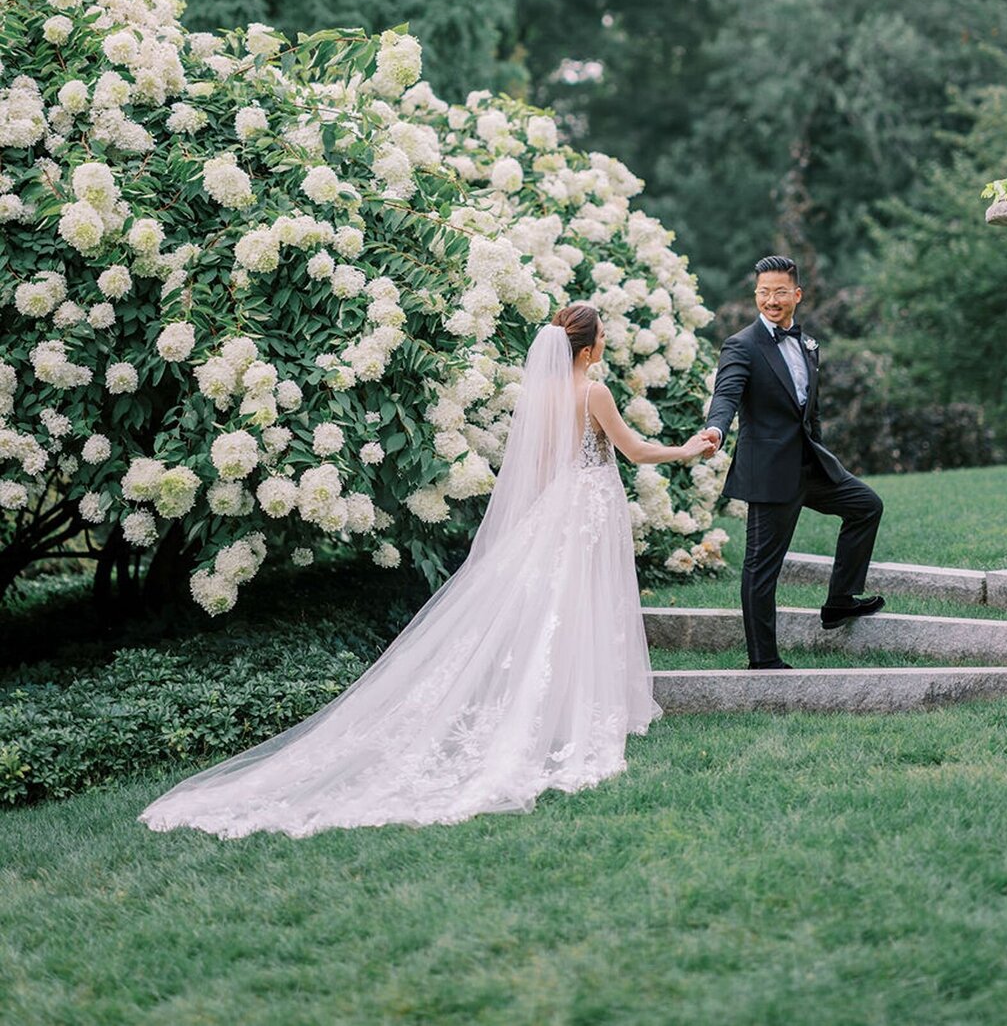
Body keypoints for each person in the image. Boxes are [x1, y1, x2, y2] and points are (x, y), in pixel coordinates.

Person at [139, 304, 712, 837]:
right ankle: (574, 714)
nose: (605, 344)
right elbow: (634, 452)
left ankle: (564, 708)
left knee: (557, 607)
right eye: (603, 337)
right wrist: (689, 450)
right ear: (587, 349)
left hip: (561, 506)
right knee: (578, 605)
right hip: (588, 506)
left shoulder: (543, 397)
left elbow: (538, 467)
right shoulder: (593, 392)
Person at [699, 255, 884, 670]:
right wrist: (716, 429)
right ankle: (763, 658)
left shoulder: (806, 343)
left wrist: (819, 450)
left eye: (780, 292)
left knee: (866, 506)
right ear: (756, 296)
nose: (771, 300)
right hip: (768, 472)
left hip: (811, 465)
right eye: (764, 292)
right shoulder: (741, 345)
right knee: (762, 567)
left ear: (797, 295)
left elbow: (808, 409)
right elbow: (726, 395)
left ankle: (839, 602)